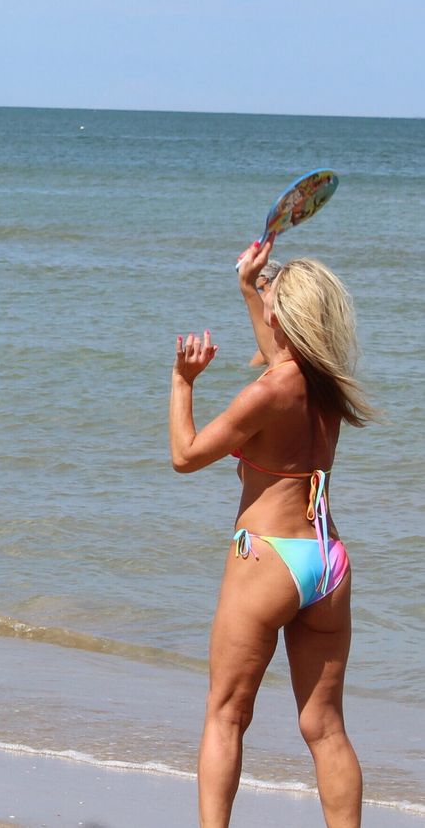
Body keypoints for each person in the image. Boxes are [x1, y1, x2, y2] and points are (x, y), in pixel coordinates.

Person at [169, 238, 373, 827]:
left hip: (269, 561)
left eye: (270, 303)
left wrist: (184, 382)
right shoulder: (327, 383)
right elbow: (279, 352)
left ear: (283, 316)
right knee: (326, 727)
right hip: (328, 562)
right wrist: (250, 286)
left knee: (226, 714)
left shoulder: (267, 392)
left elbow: (185, 456)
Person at [247, 258, 283, 366]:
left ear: (265, 280)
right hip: (280, 344)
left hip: (267, 344)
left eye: (258, 275)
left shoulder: (262, 298)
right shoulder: (281, 297)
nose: (255, 278)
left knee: (252, 368)